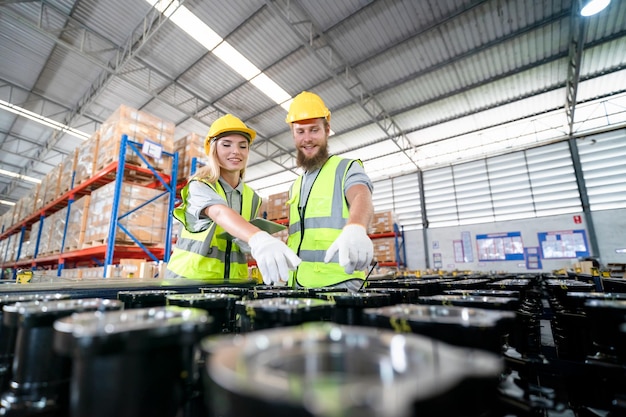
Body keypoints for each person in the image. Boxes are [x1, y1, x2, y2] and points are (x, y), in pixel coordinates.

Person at [165, 114, 301, 285]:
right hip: (190, 282)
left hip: (233, 283)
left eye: (242, 146)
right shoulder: (199, 186)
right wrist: (258, 237)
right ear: (213, 149)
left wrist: (271, 255)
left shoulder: (252, 198)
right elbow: (219, 212)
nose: (236, 151)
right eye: (226, 145)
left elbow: (240, 238)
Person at [284, 91, 375, 291]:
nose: (307, 139)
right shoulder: (296, 186)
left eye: (314, 130)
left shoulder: (345, 168)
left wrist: (356, 226)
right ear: (293, 135)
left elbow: (361, 195)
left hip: (340, 287)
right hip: (298, 287)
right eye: (300, 132)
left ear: (327, 130)